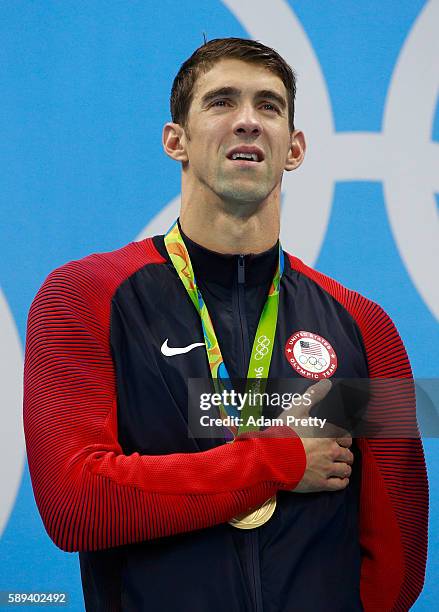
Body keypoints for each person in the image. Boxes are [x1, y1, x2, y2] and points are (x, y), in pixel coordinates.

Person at [23, 38, 428, 611]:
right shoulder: (83, 296)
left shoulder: (365, 326)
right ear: (175, 141)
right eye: (221, 103)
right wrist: (280, 460)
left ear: (295, 148)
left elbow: (399, 544)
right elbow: (77, 503)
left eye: (269, 106)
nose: (248, 121)